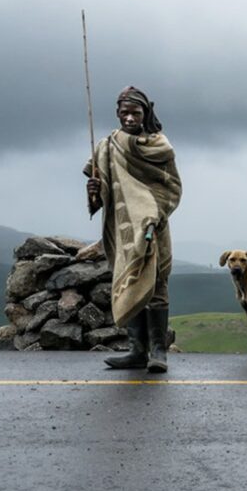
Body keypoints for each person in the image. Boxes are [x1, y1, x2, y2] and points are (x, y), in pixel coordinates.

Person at [84, 86, 182, 372]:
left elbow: (171, 188)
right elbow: (103, 192)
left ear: (145, 113)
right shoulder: (108, 145)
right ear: (117, 113)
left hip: (155, 226)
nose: (129, 118)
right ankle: (136, 351)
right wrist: (93, 190)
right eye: (124, 113)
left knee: (157, 284)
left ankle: (158, 352)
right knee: (129, 282)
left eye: (135, 113)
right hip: (124, 229)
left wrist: (154, 215)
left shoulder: (160, 147)